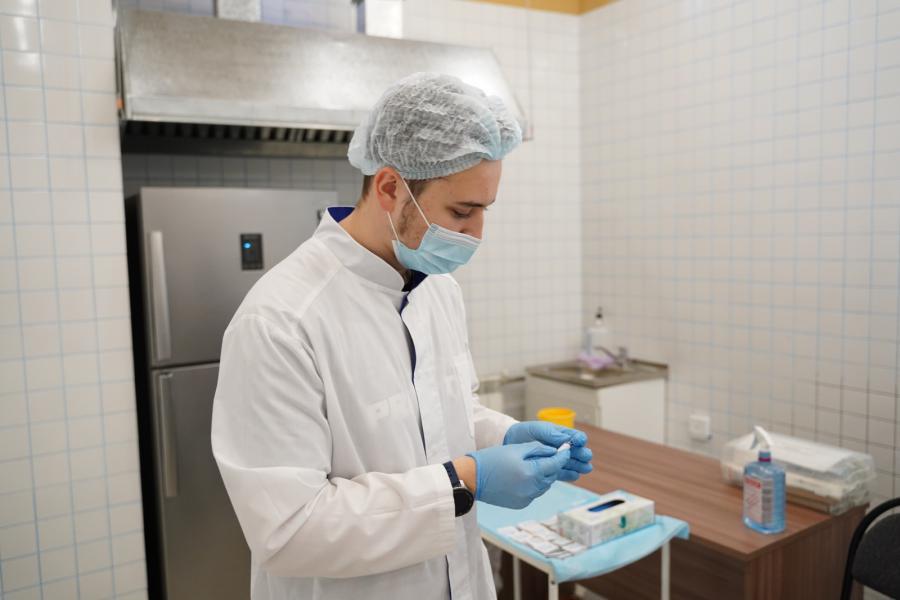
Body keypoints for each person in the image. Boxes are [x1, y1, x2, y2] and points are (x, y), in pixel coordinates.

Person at [211, 72, 593, 600]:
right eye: (461, 211)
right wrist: (465, 480)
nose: (477, 233)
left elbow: (442, 413)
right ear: (390, 188)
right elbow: (290, 529)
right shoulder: (280, 321)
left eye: (484, 210)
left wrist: (503, 436)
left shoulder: (438, 289)